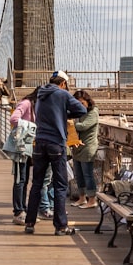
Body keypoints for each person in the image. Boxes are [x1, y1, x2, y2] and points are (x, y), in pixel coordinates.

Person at [23, 70, 86, 236]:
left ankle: (29, 223)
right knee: (60, 185)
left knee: (37, 184)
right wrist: (65, 113)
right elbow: (82, 110)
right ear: (63, 83)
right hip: (56, 143)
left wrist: (60, 112)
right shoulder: (62, 94)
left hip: (40, 143)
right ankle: (60, 226)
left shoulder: (40, 94)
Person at [8, 88, 40, 225]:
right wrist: (32, 127)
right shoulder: (26, 103)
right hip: (21, 146)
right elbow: (14, 118)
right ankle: (18, 211)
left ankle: (23, 209)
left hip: (28, 147)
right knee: (20, 179)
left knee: (25, 179)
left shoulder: (36, 106)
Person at [70, 90, 99, 209]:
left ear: (87, 101)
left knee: (88, 174)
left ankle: (92, 199)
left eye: (82, 103)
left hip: (88, 147)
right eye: (77, 103)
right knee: (78, 174)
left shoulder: (93, 112)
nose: (80, 106)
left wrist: (70, 124)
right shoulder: (77, 112)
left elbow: (83, 126)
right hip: (77, 147)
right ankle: (81, 198)